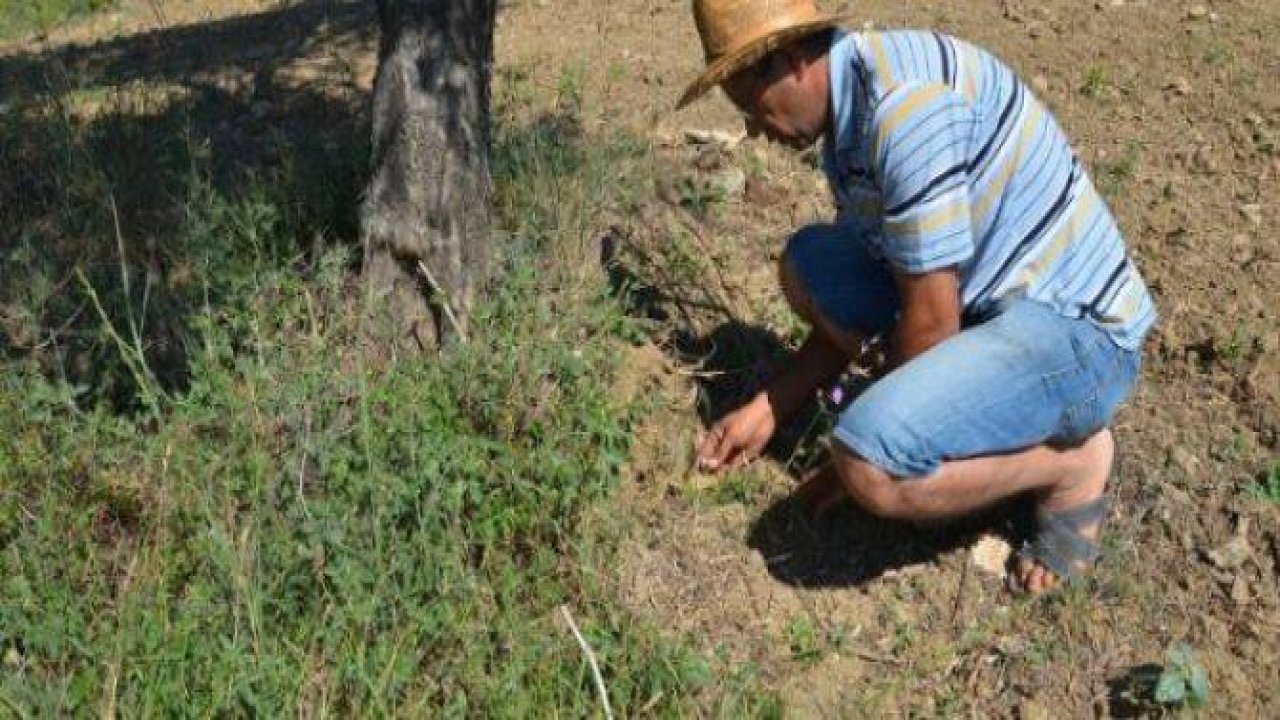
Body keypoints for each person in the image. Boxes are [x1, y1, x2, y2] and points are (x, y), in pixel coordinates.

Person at [679, 0, 1156, 594]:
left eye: (754, 106)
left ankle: (1069, 465)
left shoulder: (906, 113)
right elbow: (900, 277)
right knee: (811, 266)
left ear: (792, 60)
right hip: (984, 304)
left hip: (1077, 335)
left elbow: (931, 322)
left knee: (869, 464)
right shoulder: (851, 107)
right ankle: (938, 414)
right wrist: (770, 408)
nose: (755, 128)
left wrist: (858, 439)